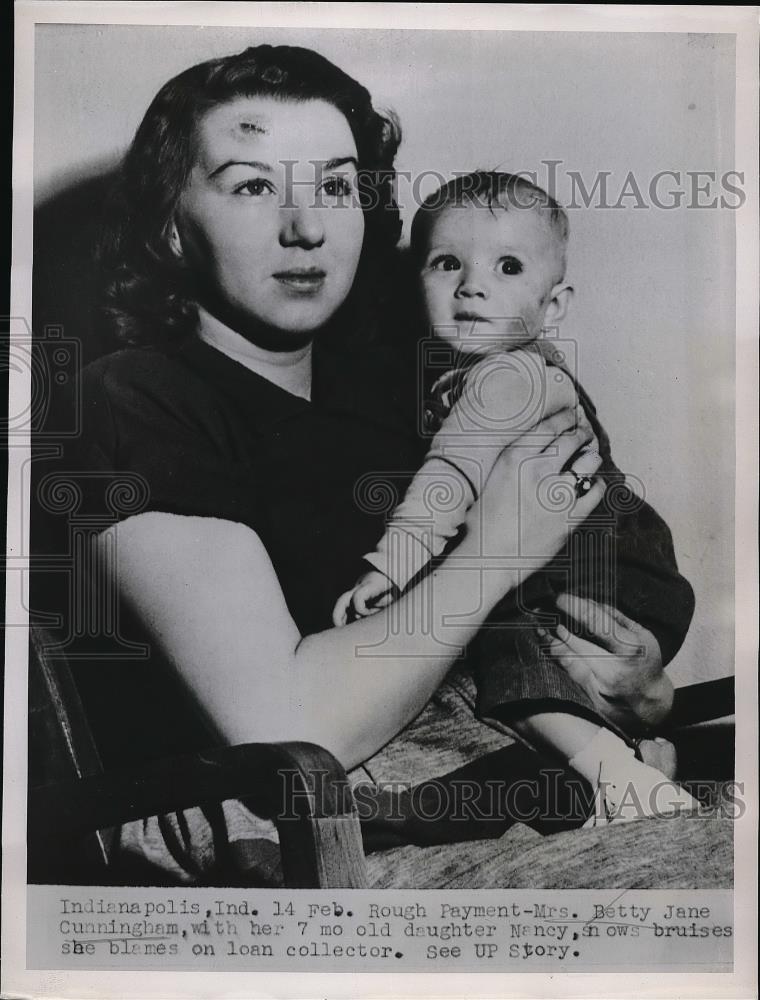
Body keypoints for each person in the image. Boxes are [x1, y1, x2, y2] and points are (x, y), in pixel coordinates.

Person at [34, 45, 729, 886]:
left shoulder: (425, 377)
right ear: (172, 224)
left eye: (335, 186)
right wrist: (498, 545)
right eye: (254, 185)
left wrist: (638, 688)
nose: (308, 228)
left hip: (533, 788)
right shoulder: (133, 401)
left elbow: (558, 614)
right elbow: (284, 724)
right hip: (324, 839)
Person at [333, 171, 697, 823]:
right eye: (447, 263)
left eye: (507, 266)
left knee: (497, 641)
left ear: (553, 306)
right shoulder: (488, 371)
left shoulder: (508, 375)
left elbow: (449, 477)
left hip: (610, 565)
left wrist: (390, 568)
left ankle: (619, 777)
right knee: (494, 639)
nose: (472, 285)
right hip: (622, 569)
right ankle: (625, 761)